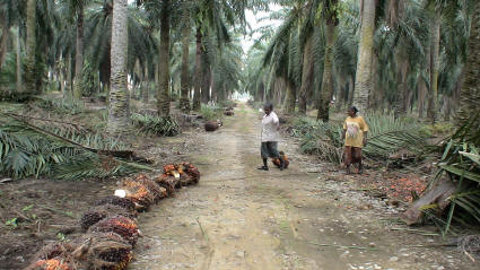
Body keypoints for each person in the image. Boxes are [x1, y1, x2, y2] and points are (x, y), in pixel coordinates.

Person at [341, 106, 369, 174]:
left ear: (353, 112)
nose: (348, 113)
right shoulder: (347, 118)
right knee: (348, 154)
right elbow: (345, 128)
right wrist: (342, 136)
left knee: (358, 155)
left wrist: (365, 138)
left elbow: (365, 128)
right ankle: (348, 169)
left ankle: (360, 166)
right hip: (349, 139)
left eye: (349, 111)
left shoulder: (360, 119)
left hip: (357, 139)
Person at [258, 103, 284, 171]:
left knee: (273, 151)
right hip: (264, 137)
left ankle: (282, 162)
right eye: (265, 110)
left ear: (271, 109)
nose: (266, 111)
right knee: (263, 151)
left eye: (267, 110)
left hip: (272, 137)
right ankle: (265, 166)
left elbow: (276, 121)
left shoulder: (273, 115)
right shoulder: (265, 116)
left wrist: (278, 126)